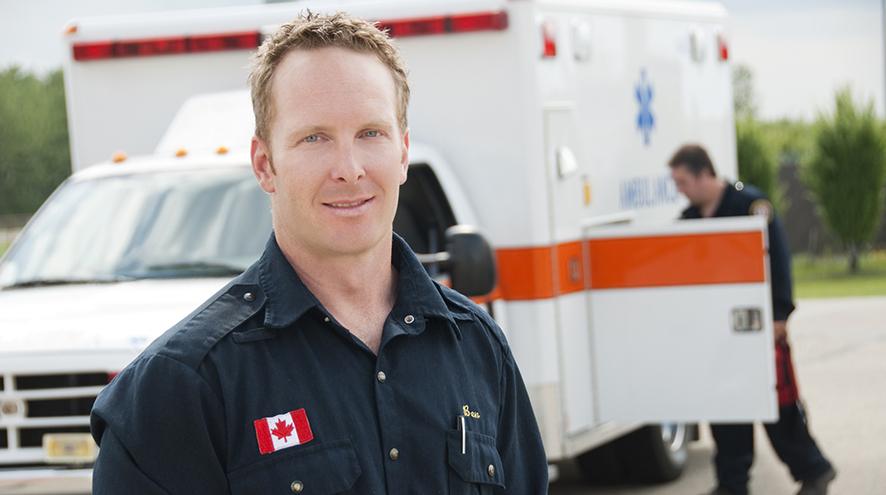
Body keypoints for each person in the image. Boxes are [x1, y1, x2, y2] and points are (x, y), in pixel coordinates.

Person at [90, 12, 548, 494]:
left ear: (402, 153)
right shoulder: (181, 386)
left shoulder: (476, 347)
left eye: (370, 133)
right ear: (265, 165)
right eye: (315, 138)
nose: (349, 169)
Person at [668, 144, 836, 495]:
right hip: (719, 334)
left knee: (778, 406)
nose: (679, 189)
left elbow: (779, 262)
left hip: (759, 328)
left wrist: (779, 314)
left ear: (703, 174)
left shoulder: (750, 205)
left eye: (683, 181)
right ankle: (732, 484)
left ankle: (815, 471)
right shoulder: (689, 220)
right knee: (726, 407)